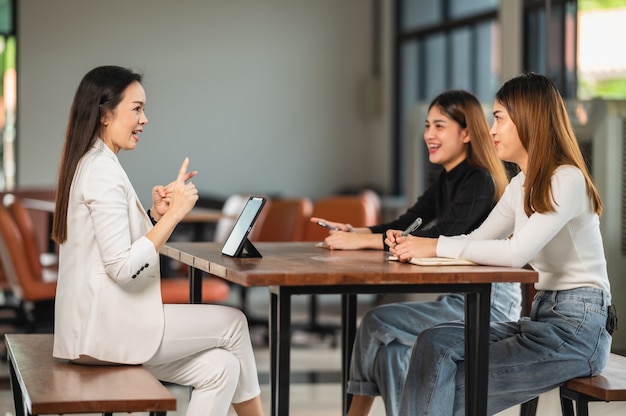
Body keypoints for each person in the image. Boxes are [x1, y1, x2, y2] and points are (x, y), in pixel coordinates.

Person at [392, 72, 614, 415]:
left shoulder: (566, 178)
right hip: (541, 318)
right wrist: (417, 246)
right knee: (433, 341)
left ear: (528, 120)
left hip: (578, 329)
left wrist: (434, 247)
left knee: (446, 385)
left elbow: (515, 253)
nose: (491, 130)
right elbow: (476, 240)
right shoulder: (520, 184)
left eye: (498, 118)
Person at [51, 65, 264, 416]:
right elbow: (121, 266)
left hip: (98, 329)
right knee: (235, 324)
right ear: (105, 114)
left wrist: (155, 217)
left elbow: (113, 247)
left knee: (222, 368)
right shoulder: (102, 171)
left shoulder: (94, 163)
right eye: (136, 108)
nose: (144, 119)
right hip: (106, 333)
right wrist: (177, 215)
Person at [313, 90, 520, 415]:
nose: (428, 135)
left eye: (439, 126)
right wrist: (357, 233)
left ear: (466, 133)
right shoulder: (448, 178)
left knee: (374, 321)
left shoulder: (479, 179)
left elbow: (445, 234)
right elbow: (407, 223)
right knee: (390, 354)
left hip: (489, 305)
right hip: (459, 299)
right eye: (427, 126)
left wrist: (366, 242)